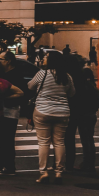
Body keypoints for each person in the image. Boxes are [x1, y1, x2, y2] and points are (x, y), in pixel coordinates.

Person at [28, 50, 75, 183]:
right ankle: (59, 172)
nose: (44, 59)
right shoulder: (67, 77)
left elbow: (30, 86)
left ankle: (44, 172)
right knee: (59, 142)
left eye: (46, 57)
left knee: (43, 142)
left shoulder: (42, 74)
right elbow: (72, 93)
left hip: (43, 111)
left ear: (52, 60)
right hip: (63, 112)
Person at [67, 67, 99, 175]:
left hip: (84, 115)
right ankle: (90, 163)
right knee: (89, 140)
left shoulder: (83, 88)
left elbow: (78, 101)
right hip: (92, 115)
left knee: (85, 141)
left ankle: (87, 164)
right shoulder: (94, 87)